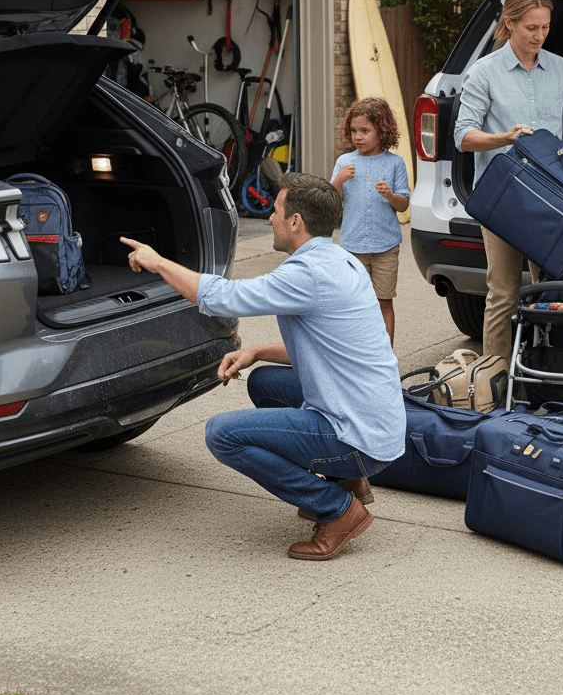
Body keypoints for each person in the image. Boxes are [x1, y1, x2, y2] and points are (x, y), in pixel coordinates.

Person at [119, 172, 405, 562]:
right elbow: (330, 349)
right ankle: (350, 481)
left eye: (275, 211)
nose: (269, 217)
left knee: (222, 434)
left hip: (357, 435)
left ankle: (337, 510)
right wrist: (256, 351)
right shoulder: (339, 259)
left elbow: (221, 297)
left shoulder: (307, 275)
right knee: (265, 382)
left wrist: (158, 263)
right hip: (375, 422)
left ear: (295, 221)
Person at [453, 0, 563, 361]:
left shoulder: (561, 68)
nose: (539, 36)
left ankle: (547, 375)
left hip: (553, 198)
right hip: (503, 199)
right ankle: (493, 380)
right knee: (504, 293)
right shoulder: (484, 72)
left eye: (545, 27)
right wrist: (503, 137)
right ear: (510, 23)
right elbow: (463, 136)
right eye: (531, 28)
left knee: (551, 291)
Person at [331, 97, 411, 344]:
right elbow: (331, 202)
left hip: (385, 246)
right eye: (354, 131)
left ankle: (385, 355)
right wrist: (337, 181)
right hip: (352, 247)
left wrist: (390, 195)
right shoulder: (344, 162)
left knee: (383, 301)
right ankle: (357, 352)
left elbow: (404, 204)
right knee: (355, 303)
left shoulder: (395, 163)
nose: (358, 137)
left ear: (382, 131)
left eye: (365, 131)